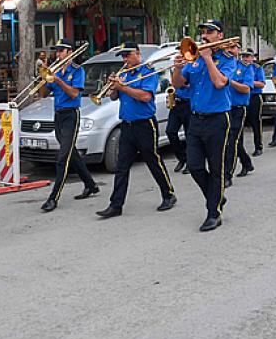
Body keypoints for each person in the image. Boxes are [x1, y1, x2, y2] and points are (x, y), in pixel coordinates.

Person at [95, 42, 176, 218]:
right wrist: (113, 86)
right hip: (127, 125)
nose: (125, 59)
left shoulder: (148, 71)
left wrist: (122, 86)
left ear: (137, 54)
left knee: (153, 161)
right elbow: (115, 96)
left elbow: (146, 97)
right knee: (121, 166)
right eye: (123, 56)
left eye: (127, 55)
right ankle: (116, 205)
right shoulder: (123, 74)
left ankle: (168, 194)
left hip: (145, 124)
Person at [171, 19, 236, 232]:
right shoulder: (194, 59)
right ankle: (215, 197)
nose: (205, 35)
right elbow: (178, 84)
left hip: (218, 119)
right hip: (196, 119)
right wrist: (178, 69)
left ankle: (213, 213)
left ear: (220, 35)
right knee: (195, 166)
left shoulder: (228, 59)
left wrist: (208, 59)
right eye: (203, 32)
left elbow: (219, 83)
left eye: (210, 32)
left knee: (216, 168)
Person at [39, 39, 99, 212]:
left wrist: (58, 81)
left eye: (61, 51)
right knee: (72, 153)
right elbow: (44, 94)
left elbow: (74, 94)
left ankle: (53, 197)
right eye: (57, 51)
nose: (58, 54)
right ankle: (90, 184)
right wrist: (43, 79)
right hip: (57, 115)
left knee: (62, 157)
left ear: (70, 52)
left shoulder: (77, 71)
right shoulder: (56, 71)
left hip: (71, 115)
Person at [225, 46, 255, 186]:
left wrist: (230, 82)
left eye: (233, 48)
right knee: (234, 140)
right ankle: (247, 163)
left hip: (238, 108)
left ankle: (227, 174)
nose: (230, 51)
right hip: (225, 108)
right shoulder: (226, 64)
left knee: (232, 140)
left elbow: (247, 88)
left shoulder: (246, 67)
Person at [165, 78, 191, 174]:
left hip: (189, 103)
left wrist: (183, 84)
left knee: (189, 135)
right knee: (170, 131)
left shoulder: (190, 67)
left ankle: (190, 162)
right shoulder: (176, 68)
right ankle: (182, 158)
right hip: (177, 104)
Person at [246, 50, 266, 156]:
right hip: (242, 98)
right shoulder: (238, 67)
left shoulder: (257, 68)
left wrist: (248, 81)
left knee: (255, 123)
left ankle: (258, 146)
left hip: (254, 97)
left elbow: (262, 84)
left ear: (253, 57)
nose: (245, 59)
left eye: (248, 56)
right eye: (243, 56)